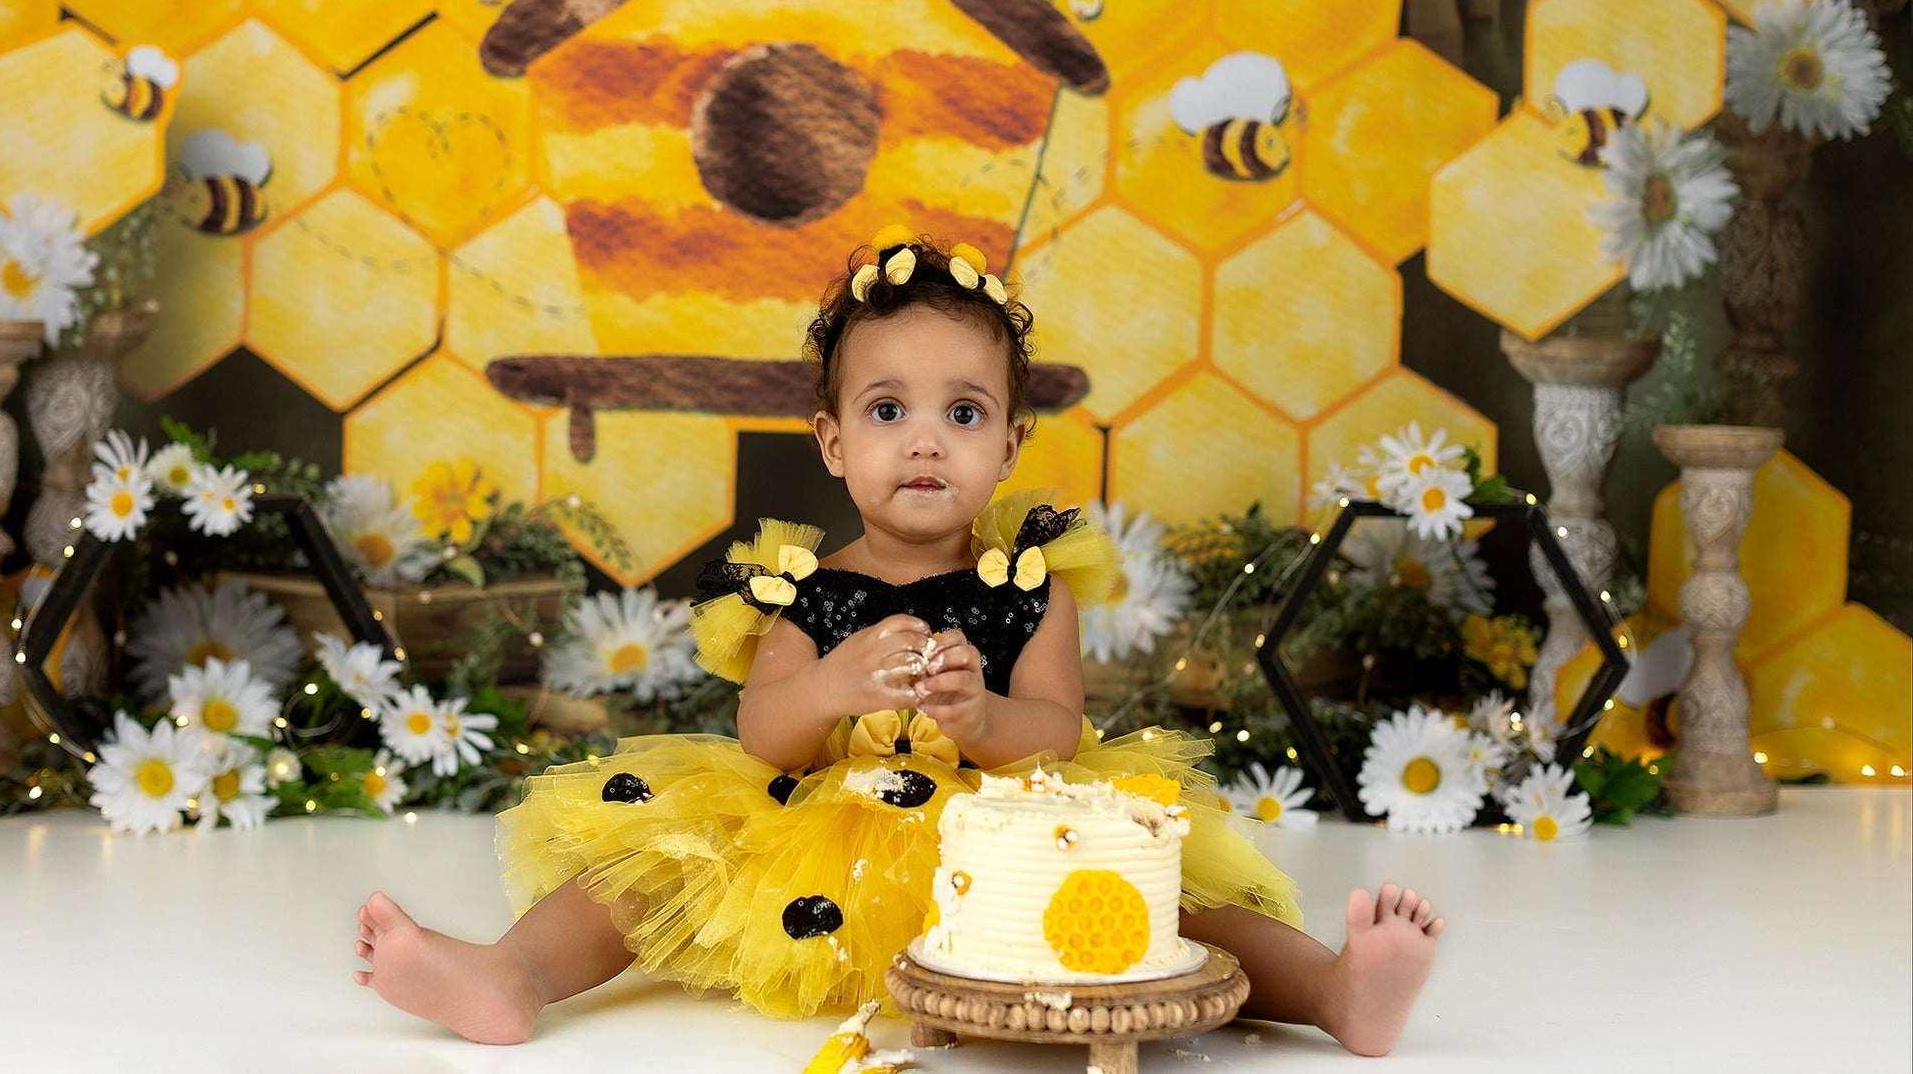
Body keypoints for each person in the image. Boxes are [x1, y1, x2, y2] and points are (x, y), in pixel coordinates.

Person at [354, 227, 1445, 1057]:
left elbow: (1058, 732)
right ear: (832, 442)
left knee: (1167, 897)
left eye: (963, 414)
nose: (925, 440)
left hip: (1006, 830)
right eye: (887, 411)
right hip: (818, 827)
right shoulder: (808, 591)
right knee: (652, 865)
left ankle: (1334, 990)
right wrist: (831, 682)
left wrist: (983, 716)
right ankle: (513, 974)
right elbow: (763, 734)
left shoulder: (1030, 591)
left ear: (1009, 445)